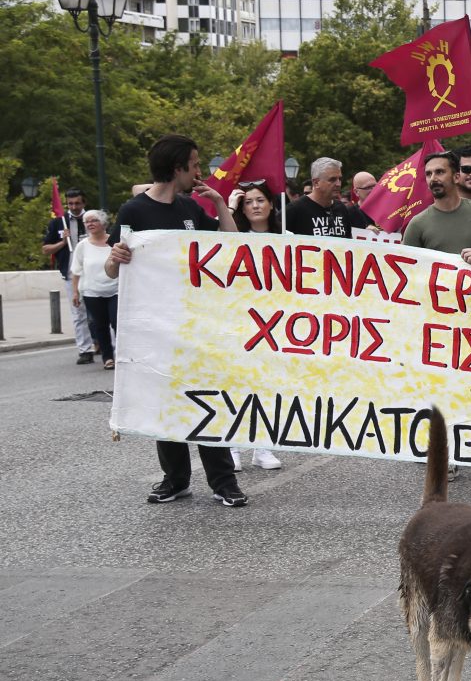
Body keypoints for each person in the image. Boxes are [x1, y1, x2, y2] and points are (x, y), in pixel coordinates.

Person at [107, 134, 247, 508]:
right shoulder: (133, 212)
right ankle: (176, 479)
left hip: (197, 323)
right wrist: (116, 256)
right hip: (156, 324)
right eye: (195, 164)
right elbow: (110, 269)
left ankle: (223, 482)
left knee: (206, 399)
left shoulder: (191, 208)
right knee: (165, 398)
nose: (200, 171)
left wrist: (219, 204)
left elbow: (230, 247)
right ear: (177, 168)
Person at [231, 183, 286, 469]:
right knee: (237, 384)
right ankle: (233, 448)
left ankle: (264, 447)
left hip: (276, 322)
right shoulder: (233, 237)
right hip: (240, 319)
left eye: (260, 200)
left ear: (272, 205)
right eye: (248, 201)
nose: (254, 205)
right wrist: (227, 206)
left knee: (269, 385)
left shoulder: (286, 237)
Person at [402, 151, 471, 259]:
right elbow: (405, 265)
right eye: (428, 174)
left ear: (456, 177)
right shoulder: (417, 224)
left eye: (440, 172)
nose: (433, 178)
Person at [44, 187, 95, 364]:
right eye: (70, 203)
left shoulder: (94, 219)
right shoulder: (59, 223)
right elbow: (45, 249)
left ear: (84, 203)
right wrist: (63, 242)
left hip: (96, 272)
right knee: (78, 313)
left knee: (99, 313)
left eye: (77, 203)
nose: (74, 207)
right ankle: (85, 350)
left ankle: (106, 345)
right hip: (72, 274)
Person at [69, 210, 117, 371]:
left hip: (116, 290)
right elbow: (76, 271)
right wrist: (75, 292)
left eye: (93, 220)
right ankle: (108, 358)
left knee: (117, 323)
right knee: (100, 325)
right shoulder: (82, 246)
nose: (90, 224)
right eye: (86, 221)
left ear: (103, 223)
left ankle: (123, 355)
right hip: (92, 291)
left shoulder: (115, 242)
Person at [286, 157, 373, 237]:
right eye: (332, 179)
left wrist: (365, 235)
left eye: (340, 179)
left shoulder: (341, 208)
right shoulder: (295, 210)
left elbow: (348, 242)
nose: (338, 184)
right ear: (316, 183)